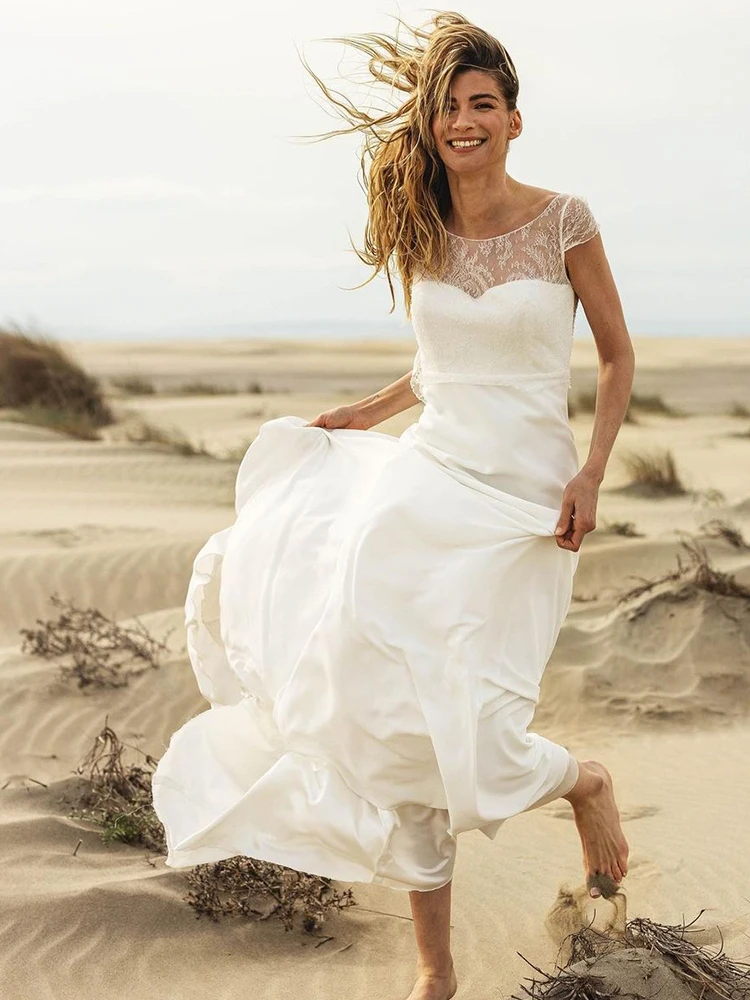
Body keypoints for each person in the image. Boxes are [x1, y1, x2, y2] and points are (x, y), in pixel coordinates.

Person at [151, 11, 633, 1000]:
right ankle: (435, 971)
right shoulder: (421, 226)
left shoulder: (565, 220)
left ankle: (584, 781)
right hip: (432, 477)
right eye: (451, 107)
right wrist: (359, 416)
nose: (465, 122)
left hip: (532, 504)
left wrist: (592, 472)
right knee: (384, 701)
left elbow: (621, 357)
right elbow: (433, 366)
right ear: (435, 121)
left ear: (514, 120)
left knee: (484, 725)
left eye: (483, 104)